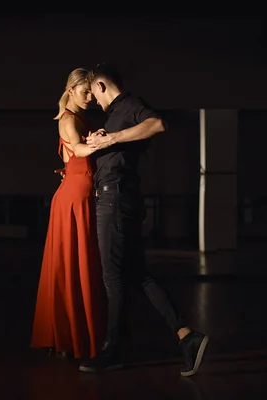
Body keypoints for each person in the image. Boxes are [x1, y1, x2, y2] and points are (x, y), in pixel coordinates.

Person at [78, 63, 208, 376]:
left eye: (93, 92)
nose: (94, 100)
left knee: (114, 277)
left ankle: (113, 351)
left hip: (116, 199)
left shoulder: (129, 105)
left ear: (102, 86)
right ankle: (186, 336)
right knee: (138, 274)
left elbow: (158, 124)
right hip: (121, 197)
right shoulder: (114, 115)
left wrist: (111, 139)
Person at [30, 68, 106, 360]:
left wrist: (94, 138)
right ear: (71, 90)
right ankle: (70, 336)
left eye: (91, 92)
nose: (89, 97)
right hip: (74, 200)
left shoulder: (78, 119)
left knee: (78, 264)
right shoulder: (69, 119)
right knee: (72, 265)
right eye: (84, 92)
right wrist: (105, 140)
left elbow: (73, 157)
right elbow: (76, 149)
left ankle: (71, 334)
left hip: (78, 196)